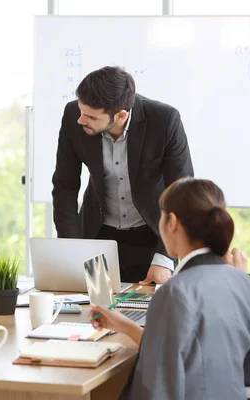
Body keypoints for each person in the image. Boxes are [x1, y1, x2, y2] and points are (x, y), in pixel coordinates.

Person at [89, 178, 250, 399]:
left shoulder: (175, 292)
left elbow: (156, 389)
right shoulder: (244, 283)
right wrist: (125, 326)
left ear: (171, 222)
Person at [52, 66, 194, 284]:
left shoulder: (164, 120)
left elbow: (183, 194)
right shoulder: (74, 115)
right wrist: (73, 249)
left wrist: (165, 257)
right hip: (97, 237)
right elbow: (65, 186)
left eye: (90, 116)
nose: (81, 120)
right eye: (81, 111)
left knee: (145, 312)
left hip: (153, 236)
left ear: (120, 115)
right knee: (96, 310)